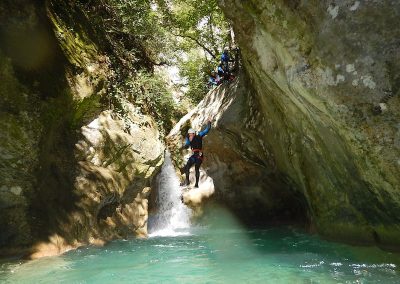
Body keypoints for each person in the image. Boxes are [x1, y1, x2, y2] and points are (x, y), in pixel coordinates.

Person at [180, 121, 212, 188]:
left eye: (191, 134)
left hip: (199, 154)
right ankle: (187, 181)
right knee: (187, 166)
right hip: (195, 155)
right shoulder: (189, 139)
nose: (190, 136)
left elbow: (207, 130)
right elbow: (186, 145)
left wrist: (209, 122)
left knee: (196, 168)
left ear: (194, 134)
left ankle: (196, 184)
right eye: (189, 135)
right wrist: (184, 146)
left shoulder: (199, 135)